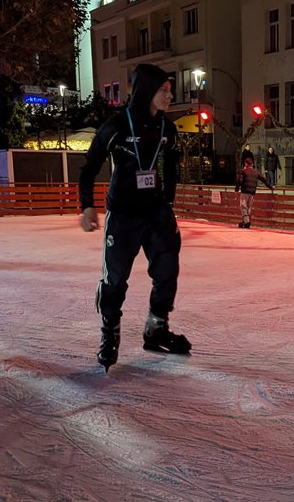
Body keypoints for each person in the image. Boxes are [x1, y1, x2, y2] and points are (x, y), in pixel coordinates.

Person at [79, 63, 192, 373]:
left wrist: (168, 200)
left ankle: (157, 327)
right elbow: (89, 166)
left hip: (157, 211)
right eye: (164, 91)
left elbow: (171, 164)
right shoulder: (116, 127)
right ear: (146, 92)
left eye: (170, 90)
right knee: (115, 278)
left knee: (168, 269)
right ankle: (109, 332)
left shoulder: (168, 129)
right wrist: (87, 205)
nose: (170, 96)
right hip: (125, 213)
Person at [235, 157, 273, 229]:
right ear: (252, 164)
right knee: (248, 207)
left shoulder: (243, 171)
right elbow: (264, 180)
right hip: (252, 192)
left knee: (243, 206)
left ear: (246, 164)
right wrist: (270, 187)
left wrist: (236, 190)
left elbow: (239, 181)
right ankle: (245, 222)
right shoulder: (256, 172)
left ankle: (247, 222)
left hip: (245, 191)